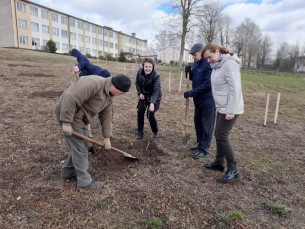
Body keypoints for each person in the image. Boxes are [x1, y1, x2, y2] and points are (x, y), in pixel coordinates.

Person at [55, 74, 131, 190]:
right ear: (116, 87)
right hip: (68, 112)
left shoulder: (109, 97)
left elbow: (106, 117)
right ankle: (84, 183)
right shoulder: (93, 83)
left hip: (82, 118)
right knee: (80, 149)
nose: (122, 95)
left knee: (82, 146)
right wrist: (66, 121)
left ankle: (67, 172)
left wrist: (106, 137)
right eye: (122, 92)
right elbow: (70, 97)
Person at [201, 43, 244, 183]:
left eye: (210, 57)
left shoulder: (229, 64)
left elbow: (235, 89)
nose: (209, 60)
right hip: (222, 106)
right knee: (219, 134)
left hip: (231, 107)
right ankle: (219, 163)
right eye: (207, 58)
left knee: (221, 135)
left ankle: (233, 168)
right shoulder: (217, 65)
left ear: (218, 52)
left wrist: (231, 110)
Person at [184, 43, 216, 159]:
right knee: (198, 123)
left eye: (195, 54)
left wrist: (191, 93)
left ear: (202, 53)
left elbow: (207, 84)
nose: (193, 57)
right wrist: (189, 72)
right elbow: (195, 78)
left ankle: (204, 148)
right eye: (192, 55)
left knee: (206, 125)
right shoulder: (196, 65)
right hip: (198, 101)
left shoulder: (208, 65)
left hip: (208, 101)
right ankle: (199, 144)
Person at [135, 58, 162, 139]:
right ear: (143, 66)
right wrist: (140, 93)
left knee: (150, 115)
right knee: (140, 111)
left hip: (154, 97)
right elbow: (137, 84)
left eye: (150, 67)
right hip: (144, 96)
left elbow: (156, 91)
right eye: (146, 66)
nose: (148, 69)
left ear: (153, 67)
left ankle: (155, 131)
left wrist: (152, 103)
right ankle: (140, 132)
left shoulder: (156, 75)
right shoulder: (140, 72)